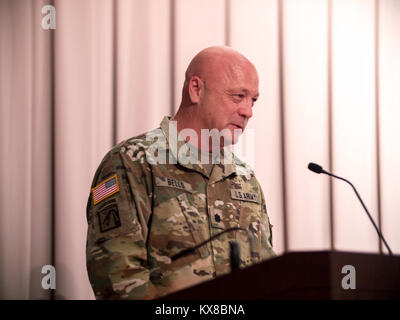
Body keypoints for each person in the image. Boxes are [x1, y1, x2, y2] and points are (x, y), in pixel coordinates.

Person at [86, 46, 276, 300]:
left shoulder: (245, 179)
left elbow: (266, 276)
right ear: (196, 90)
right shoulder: (131, 163)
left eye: (252, 100)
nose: (248, 111)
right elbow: (119, 279)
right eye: (237, 96)